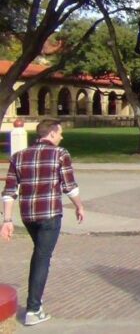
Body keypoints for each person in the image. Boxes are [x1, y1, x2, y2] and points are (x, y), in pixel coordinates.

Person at [1, 119, 85, 326]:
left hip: (28, 215)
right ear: (52, 134)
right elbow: (69, 186)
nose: (62, 137)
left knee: (39, 253)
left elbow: (9, 192)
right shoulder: (60, 154)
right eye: (60, 133)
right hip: (49, 214)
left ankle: (35, 301)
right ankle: (33, 308)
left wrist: (7, 220)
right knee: (42, 257)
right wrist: (79, 206)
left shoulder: (19, 157)